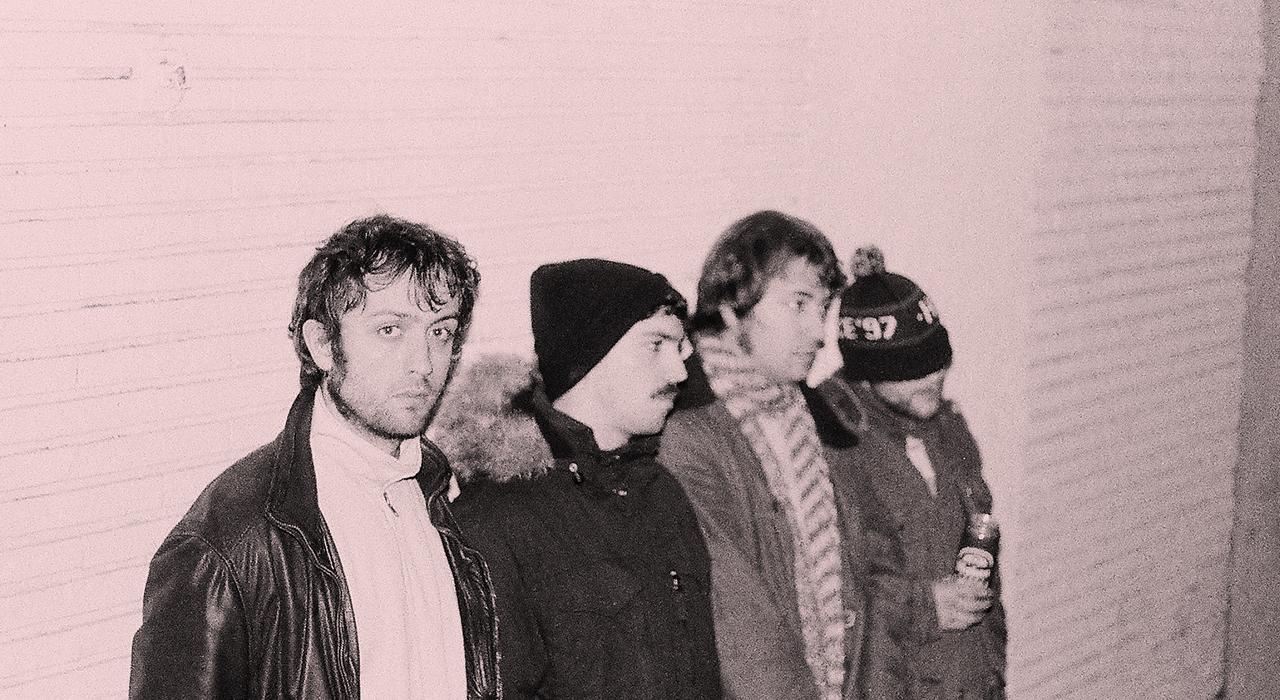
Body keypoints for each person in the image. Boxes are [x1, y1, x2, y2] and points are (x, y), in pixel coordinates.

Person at [129, 215, 499, 699]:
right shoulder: (229, 541)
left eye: (440, 332)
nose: (423, 364)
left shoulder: (440, 495)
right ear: (323, 345)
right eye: (390, 330)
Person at [445, 259, 722, 699]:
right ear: (588, 357)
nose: (679, 373)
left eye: (679, 348)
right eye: (655, 346)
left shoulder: (661, 492)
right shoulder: (493, 521)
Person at [659, 210, 894, 700]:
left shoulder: (823, 421)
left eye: (823, 308)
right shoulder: (688, 437)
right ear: (731, 306)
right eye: (798, 304)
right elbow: (741, 629)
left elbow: (871, 583)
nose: (818, 332)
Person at [835, 245, 1007, 699]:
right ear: (866, 371)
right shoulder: (832, 447)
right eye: (910, 368)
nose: (932, 378)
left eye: (938, 360)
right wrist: (925, 606)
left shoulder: (947, 429)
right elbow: (831, 596)